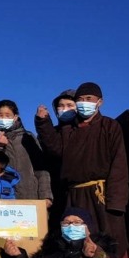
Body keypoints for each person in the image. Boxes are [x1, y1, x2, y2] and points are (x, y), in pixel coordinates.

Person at [36, 81, 129, 248]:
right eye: (80, 98)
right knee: (75, 241)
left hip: (101, 195)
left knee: (108, 240)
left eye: (89, 98)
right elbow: (55, 150)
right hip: (74, 195)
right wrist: (43, 123)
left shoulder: (109, 126)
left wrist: (116, 202)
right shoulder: (69, 129)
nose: (84, 102)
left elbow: (119, 165)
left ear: (99, 102)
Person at [0, 99, 52, 205]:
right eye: (0, 115)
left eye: (7, 115)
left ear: (15, 117)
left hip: (29, 196)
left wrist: (46, 195)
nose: (3, 118)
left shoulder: (27, 137)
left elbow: (41, 169)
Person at [45, 90, 77, 230]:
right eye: (61, 106)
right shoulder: (52, 131)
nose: (65, 109)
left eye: (69, 105)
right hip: (57, 191)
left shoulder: (89, 131)